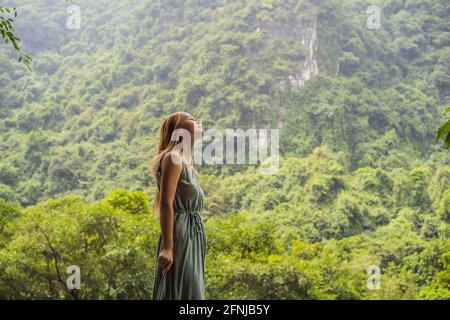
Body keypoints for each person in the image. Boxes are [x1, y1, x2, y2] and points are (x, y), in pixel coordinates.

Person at [151, 111, 206, 300]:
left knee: (191, 290)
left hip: (193, 236)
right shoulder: (173, 158)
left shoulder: (185, 163)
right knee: (184, 290)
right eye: (191, 119)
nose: (198, 122)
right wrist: (168, 247)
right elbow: (166, 203)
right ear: (179, 130)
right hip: (180, 234)